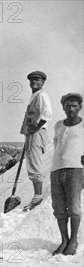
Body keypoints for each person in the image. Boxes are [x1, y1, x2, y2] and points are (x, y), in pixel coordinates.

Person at [50, 93, 83, 256]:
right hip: (56, 169)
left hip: (76, 169)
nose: (71, 109)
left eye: (75, 106)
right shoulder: (58, 125)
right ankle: (64, 239)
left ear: (80, 107)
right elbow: (57, 146)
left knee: (74, 208)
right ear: (63, 107)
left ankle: (74, 240)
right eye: (68, 105)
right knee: (59, 209)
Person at [20, 71, 52, 210]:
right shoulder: (34, 95)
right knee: (33, 163)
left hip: (37, 133)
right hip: (32, 133)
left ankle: (37, 197)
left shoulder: (42, 95)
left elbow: (47, 114)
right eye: (32, 80)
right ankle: (36, 195)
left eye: (37, 80)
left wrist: (35, 127)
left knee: (35, 164)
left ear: (43, 82)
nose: (34, 82)